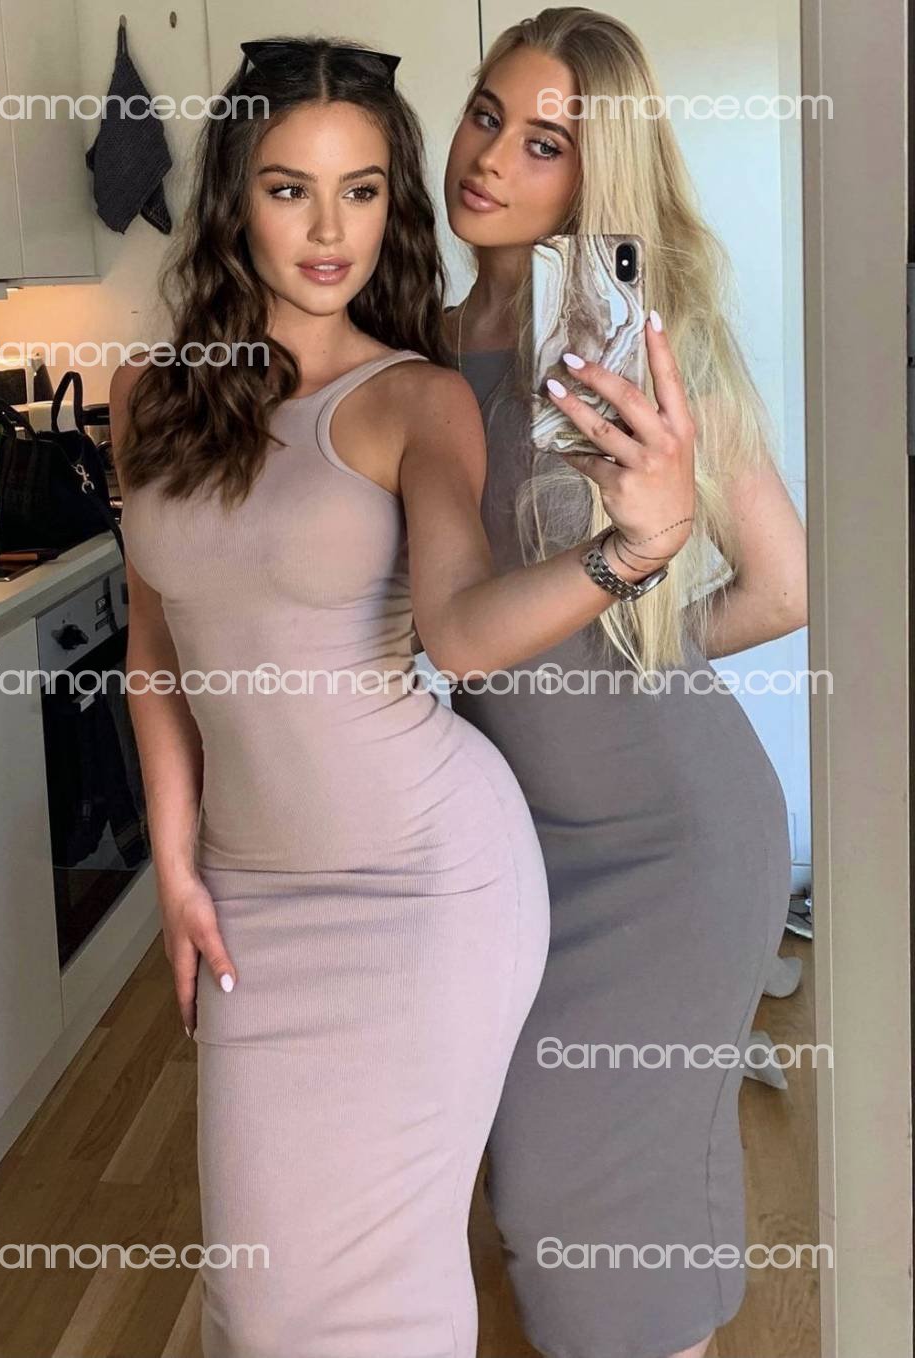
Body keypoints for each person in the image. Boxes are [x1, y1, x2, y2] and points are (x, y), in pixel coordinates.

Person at [110, 34, 694, 1358]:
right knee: (258, 1297)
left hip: (428, 888)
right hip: (253, 894)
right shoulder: (148, 399)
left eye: (363, 190)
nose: (330, 231)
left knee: (385, 1284)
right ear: (234, 198)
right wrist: (179, 869)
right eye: (290, 188)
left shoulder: (417, 400)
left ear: (395, 205)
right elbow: (156, 649)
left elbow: (463, 634)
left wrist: (636, 548)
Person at [442, 9, 808, 1358]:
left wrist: (632, 650)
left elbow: (786, 584)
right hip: (517, 843)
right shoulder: (422, 345)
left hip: (673, 844)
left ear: (599, 175)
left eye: (545, 144)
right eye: (486, 115)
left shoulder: (649, 346)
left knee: (580, 1199)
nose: (491, 159)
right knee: (550, 1182)